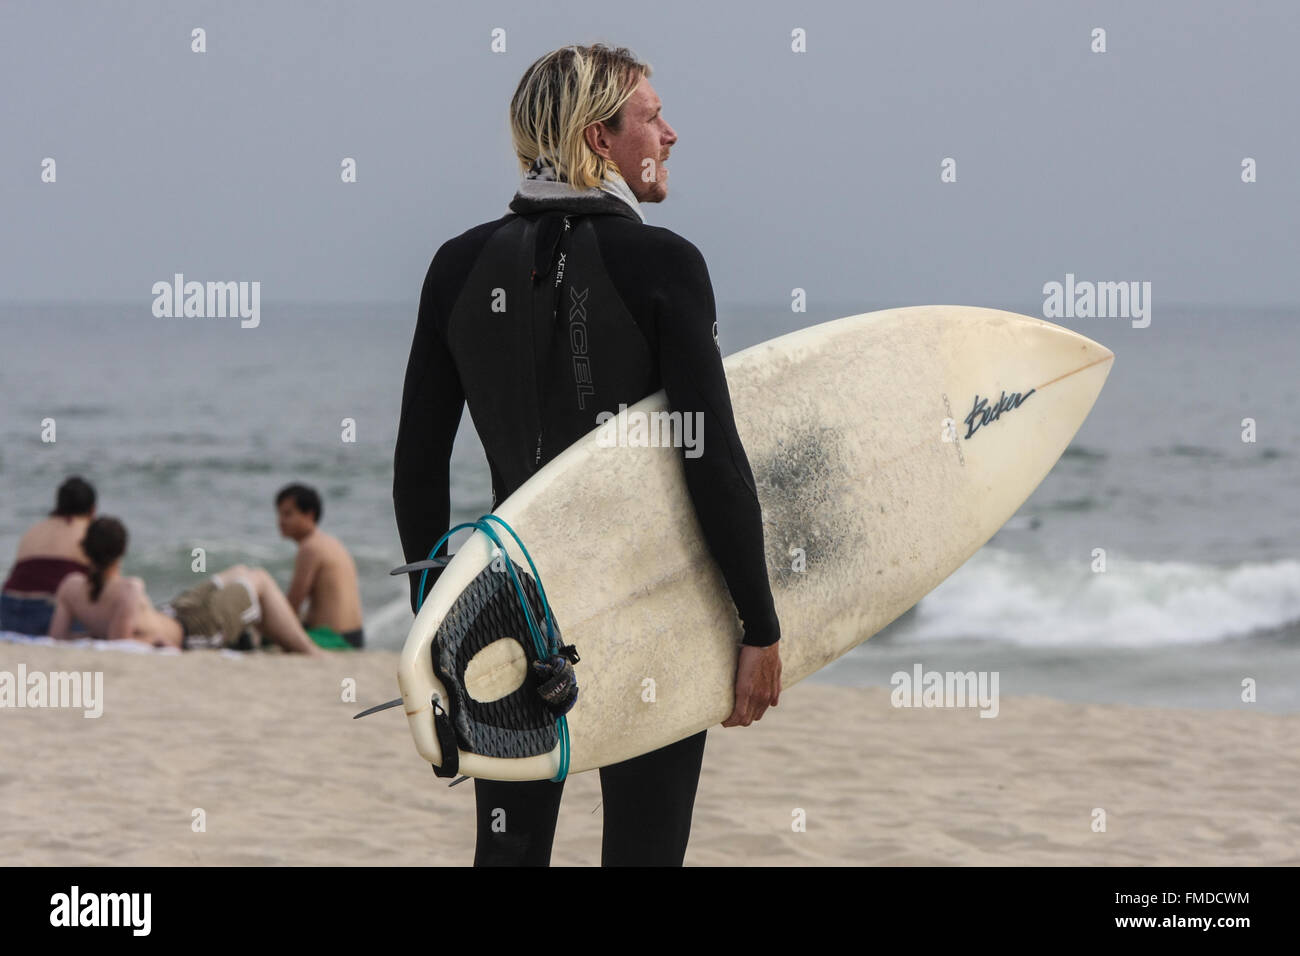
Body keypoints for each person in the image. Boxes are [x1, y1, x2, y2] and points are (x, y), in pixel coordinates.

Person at [393, 43, 782, 866]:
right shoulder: (665, 263)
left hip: (508, 611)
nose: (670, 134)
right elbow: (710, 456)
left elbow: (418, 465)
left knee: (508, 855)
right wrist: (760, 623)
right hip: (647, 608)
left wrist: (438, 627)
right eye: (650, 117)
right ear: (599, 139)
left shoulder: (457, 265)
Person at [49, 516, 324, 655]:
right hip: (195, 631)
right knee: (259, 579)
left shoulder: (69, 586)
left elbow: (58, 637)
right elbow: (121, 644)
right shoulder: (128, 590)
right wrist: (152, 642)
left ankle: (266, 636)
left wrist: (88, 638)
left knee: (239, 571)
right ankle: (310, 651)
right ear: (121, 553)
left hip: (174, 611)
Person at [1, 476, 96, 635]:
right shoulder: (89, 534)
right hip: (47, 611)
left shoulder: (35, 530)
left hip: (7, 608)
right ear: (92, 510)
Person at [275, 483, 366, 649]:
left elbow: (292, 605)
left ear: (309, 515)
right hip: (355, 636)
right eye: (279, 514)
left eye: (287, 514)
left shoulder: (310, 547)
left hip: (333, 638)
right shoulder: (330, 542)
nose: (280, 521)